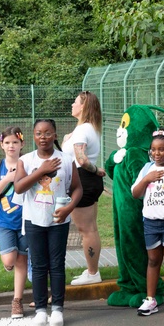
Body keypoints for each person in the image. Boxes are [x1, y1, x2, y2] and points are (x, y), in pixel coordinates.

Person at [13, 119, 82, 326]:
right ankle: (41, 310)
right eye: (38, 133)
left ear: (55, 135)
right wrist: (41, 171)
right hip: (34, 220)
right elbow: (18, 188)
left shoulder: (66, 159)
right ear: (33, 136)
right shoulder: (26, 160)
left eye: (47, 133)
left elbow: (77, 188)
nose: (43, 137)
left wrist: (69, 208)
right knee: (39, 265)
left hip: (58, 221)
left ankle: (58, 309)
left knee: (57, 265)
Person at [131, 129, 164, 317]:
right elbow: (135, 194)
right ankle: (150, 299)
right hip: (151, 223)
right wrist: (146, 179)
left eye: (161, 149)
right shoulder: (146, 169)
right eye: (153, 150)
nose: (156, 153)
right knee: (153, 260)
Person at [0, 126, 30, 319]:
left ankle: (17, 301)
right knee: (9, 260)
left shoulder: (28, 164)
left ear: (22, 144)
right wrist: (7, 179)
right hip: (4, 222)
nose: (11, 146)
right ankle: (8, 261)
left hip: (26, 221)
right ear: (1, 145)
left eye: (15, 142)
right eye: (7, 143)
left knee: (21, 260)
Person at [64, 91, 107, 286]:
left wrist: (96, 170)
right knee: (89, 229)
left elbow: (81, 159)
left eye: (75, 102)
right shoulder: (87, 128)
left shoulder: (83, 130)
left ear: (83, 107)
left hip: (82, 179)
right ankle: (92, 270)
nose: (72, 104)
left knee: (86, 230)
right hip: (85, 180)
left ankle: (92, 272)